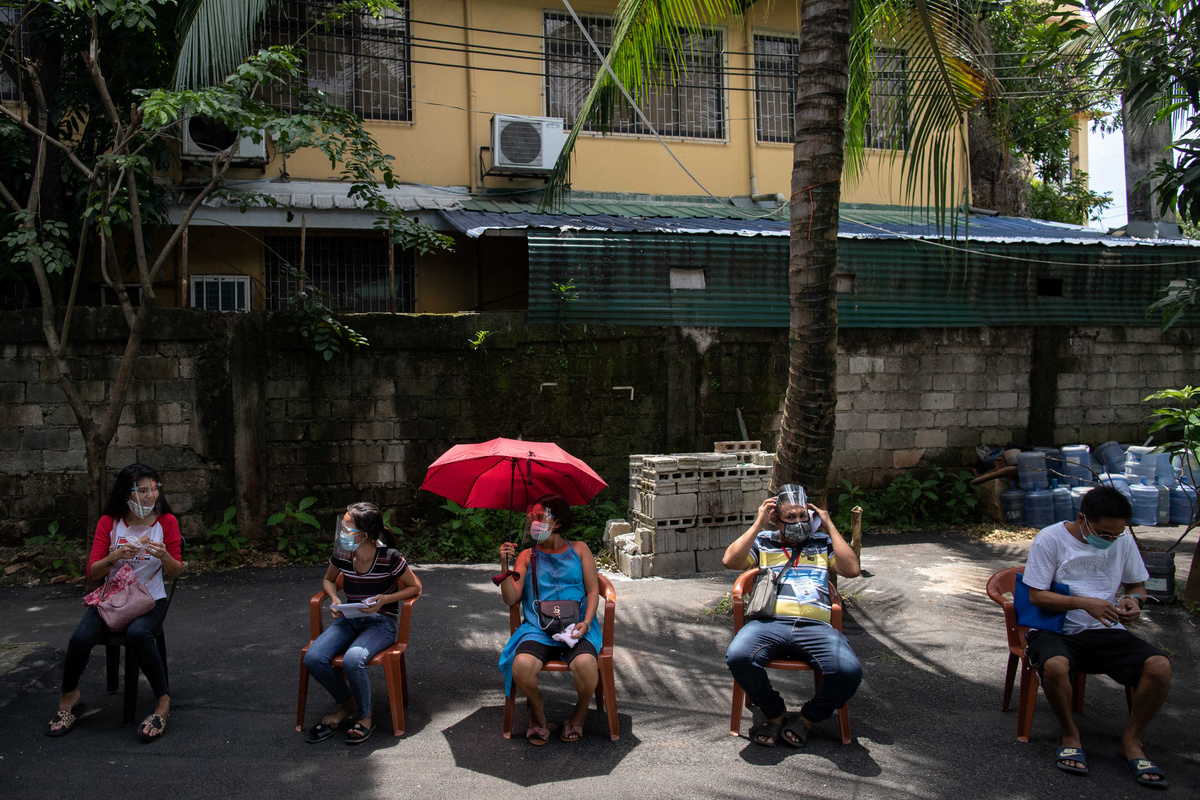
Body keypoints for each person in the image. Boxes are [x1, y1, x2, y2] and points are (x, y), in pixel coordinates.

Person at [1023, 486, 1171, 788]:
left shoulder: (1122, 539)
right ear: (1083, 519)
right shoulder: (1051, 538)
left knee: (1160, 666)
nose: (1110, 540)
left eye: (1116, 534)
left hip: (1105, 629)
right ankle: (1070, 735)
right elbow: (1036, 596)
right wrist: (1083, 602)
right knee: (1055, 665)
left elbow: (1137, 587)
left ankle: (1131, 742)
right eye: (1104, 534)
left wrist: (1134, 602)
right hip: (1055, 629)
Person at [47, 464, 184, 741]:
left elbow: (176, 571)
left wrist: (164, 556)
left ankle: (162, 701)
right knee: (80, 638)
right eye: (142, 490)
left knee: (139, 633)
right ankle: (68, 698)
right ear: (126, 494)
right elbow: (93, 573)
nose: (150, 496)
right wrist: (114, 557)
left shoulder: (166, 521)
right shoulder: (109, 522)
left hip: (150, 599)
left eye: (153, 489)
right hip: (113, 598)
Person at [722, 484, 862, 747]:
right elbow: (730, 561)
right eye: (790, 517)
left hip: (815, 627)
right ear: (776, 519)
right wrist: (758, 523)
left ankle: (807, 718)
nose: (798, 522)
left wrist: (829, 525)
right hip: (769, 623)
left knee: (849, 671)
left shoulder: (822, 543)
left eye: (802, 516)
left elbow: (852, 569)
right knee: (739, 657)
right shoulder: (765, 541)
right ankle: (775, 713)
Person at [303, 501, 421, 744]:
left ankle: (365, 717)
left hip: (381, 623)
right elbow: (328, 580)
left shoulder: (390, 557)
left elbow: (414, 587)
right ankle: (348, 703)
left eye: (347, 529)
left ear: (364, 535)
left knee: (352, 659)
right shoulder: (343, 554)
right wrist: (335, 598)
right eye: (342, 527)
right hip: (350, 619)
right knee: (313, 658)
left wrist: (385, 599)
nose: (342, 533)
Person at [497, 494, 602, 745]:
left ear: (557, 522)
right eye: (532, 517)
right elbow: (511, 599)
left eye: (540, 517)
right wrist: (504, 567)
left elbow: (593, 591)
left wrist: (586, 623)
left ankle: (579, 714)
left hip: (577, 626)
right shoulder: (527, 555)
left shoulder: (580, 550)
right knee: (522, 666)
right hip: (538, 628)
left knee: (586, 664)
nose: (534, 522)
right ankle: (537, 710)